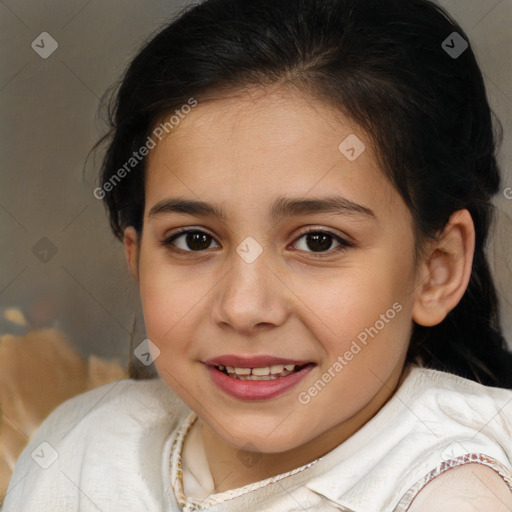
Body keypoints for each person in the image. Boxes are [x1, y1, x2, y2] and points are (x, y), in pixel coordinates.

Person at [3, 0, 512, 510]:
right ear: (135, 258)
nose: (244, 308)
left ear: (436, 270)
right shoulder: (80, 446)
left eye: (319, 241)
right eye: (194, 240)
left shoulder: (461, 494)